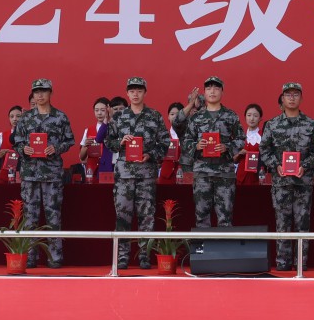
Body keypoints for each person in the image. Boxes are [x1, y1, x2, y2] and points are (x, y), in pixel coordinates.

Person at [101, 76, 171, 269]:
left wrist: (150, 155)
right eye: (132, 91)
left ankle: (144, 256)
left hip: (146, 173)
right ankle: (122, 257)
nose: (135, 94)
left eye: (139, 91)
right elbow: (108, 142)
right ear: (127, 93)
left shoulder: (154, 116)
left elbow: (165, 142)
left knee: (146, 216)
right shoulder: (119, 117)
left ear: (145, 92)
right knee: (122, 216)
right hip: (124, 175)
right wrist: (120, 142)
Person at [11, 78, 75, 267]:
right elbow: (17, 141)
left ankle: (54, 256)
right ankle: (30, 256)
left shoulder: (60, 117)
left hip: (52, 173)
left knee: (53, 216)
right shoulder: (26, 118)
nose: (40, 95)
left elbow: (69, 140)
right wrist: (24, 149)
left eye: (43, 91)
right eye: (36, 92)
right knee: (30, 216)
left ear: (50, 93)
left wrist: (56, 148)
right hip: (30, 174)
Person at [262, 83, 314, 271]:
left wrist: (305, 166)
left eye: (295, 94)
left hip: (302, 182)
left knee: (302, 223)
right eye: (288, 94)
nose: (291, 98)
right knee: (282, 223)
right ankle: (283, 262)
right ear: (282, 98)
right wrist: (276, 165)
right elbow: (264, 149)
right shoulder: (272, 124)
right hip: (281, 182)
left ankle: (300, 262)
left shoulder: (311, 124)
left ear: (301, 98)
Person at [176, 75, 245, 231]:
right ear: (204, 93)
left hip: (224, 173)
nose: (212, 91)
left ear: (222, 92)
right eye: (208, 88)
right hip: (202, 173)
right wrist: (196, 146)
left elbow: (241, 138)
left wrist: (227, 147)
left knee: (225, 218)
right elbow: (186, 141)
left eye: (216, 88)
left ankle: (224, 247)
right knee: (202, 217)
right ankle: (203, 247)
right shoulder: (196, 118)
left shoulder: (230, 116)